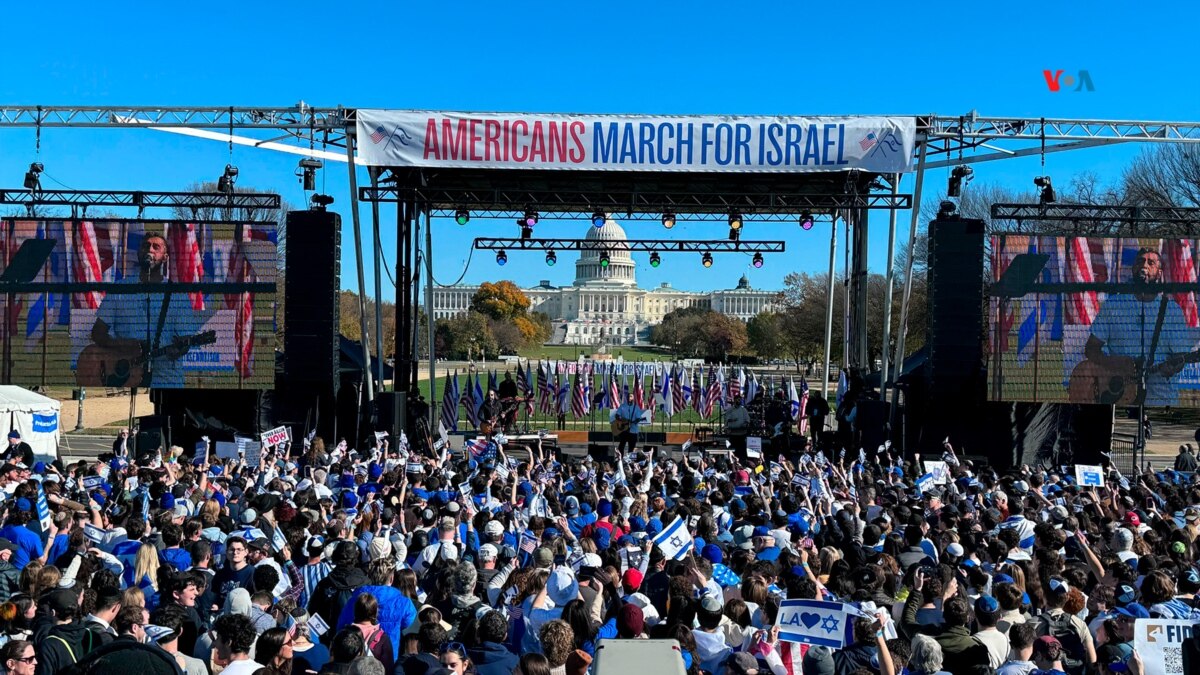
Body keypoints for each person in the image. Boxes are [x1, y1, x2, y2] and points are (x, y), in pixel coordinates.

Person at [83, 231, 208, 388]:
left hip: (166, 381)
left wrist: (181, 348)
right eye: (146, 245)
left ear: (165, 257)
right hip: (126, 381)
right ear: (139, 253)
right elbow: (98, 333)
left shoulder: (177, 294)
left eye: (156, 247)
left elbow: (185, 340)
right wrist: (125, 345)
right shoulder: (120, 289)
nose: (150, 250)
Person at [1084, 248, 1200, 406]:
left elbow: (1180, 357)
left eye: (1150, 262)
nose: (1144, 265)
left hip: (1160, 402)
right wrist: (1117, 364)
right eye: (1140, 261)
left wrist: (1173, 367)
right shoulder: (1114, 305)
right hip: (1118, 400)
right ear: (1133, 269)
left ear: (1159, 273)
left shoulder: (1172, 310)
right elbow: (1091, 349)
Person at [724, 395, 750, 462]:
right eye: (737, 399)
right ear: (734, 400)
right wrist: (732, 420)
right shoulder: (730, 410)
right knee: (732, 450)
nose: (739, 401)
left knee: (741, 451)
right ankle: (732, 462)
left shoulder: (743, 410)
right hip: (733, 433)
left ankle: (742, 462)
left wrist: (745, 425)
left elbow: (747, 420)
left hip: (741, 434)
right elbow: (726, 420)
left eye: (740, 400)